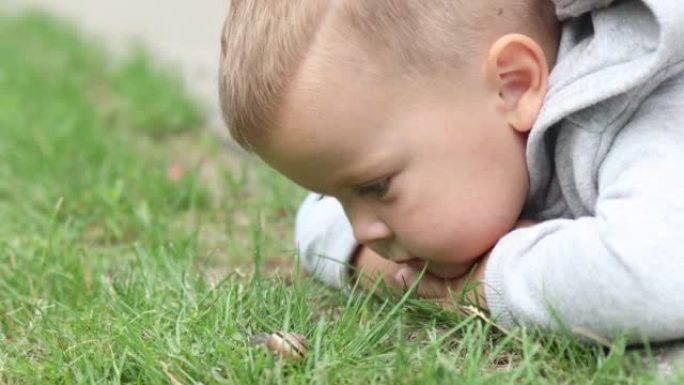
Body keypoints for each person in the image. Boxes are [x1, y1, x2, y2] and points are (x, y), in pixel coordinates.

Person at [219, 0, 684, 343]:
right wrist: (372, 265)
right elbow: (313, 220)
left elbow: (656, 275)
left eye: (375, 187)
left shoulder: (640, 102)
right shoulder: (450, 128)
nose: (361, 228)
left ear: (513, 85)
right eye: (342, 196)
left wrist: (482, 285)